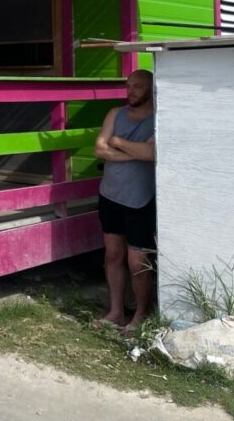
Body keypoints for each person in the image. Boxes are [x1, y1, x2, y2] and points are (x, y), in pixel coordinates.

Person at [93, 69, 156, 334]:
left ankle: (141, 315)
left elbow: (152, 152)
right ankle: (116, 312)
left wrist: (117, 142)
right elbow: (98, 149)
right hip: (110, 195)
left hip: (140, 199)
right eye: (128, 86)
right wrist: (135, 153)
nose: (130, 91)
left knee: (137, 262)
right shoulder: (114, 114)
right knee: (113, 254)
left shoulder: (158, 118)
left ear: (151, 89)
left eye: (137, 87)